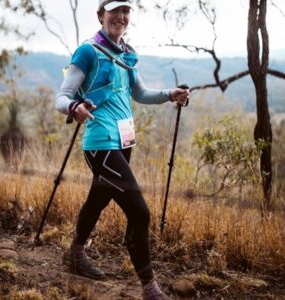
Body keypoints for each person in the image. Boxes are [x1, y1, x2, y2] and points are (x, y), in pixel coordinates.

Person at [56, 1, 190, 299]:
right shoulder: (88, 51)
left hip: (124, 140)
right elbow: (62, 96)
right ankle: (149, 287)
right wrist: (75, 106)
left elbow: (139, 93)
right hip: (101, 142)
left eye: (126, 11)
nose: (121, 16)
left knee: (98, 199)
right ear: (101, 15)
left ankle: (75, 254)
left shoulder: (126, 54)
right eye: (114, 10)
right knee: (140, 213)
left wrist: (171, 95)